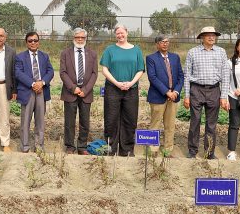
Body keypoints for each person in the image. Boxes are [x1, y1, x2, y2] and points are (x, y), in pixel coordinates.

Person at [184, 26, 230, 159]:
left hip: (214, 90)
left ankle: (209, 152)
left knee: (211, 123)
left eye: (213, 35)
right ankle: (192, 151)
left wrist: (223, 96)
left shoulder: (221, 52)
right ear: (202, 37)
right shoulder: (193, 52)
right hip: (196, 89)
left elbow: (225, 75)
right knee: (195, 121)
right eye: (208, 35)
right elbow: (187, 75)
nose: (211, 37)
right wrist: (186, 95)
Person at [100, 24, 145, 157]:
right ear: (115, 35)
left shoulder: (136, 50)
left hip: (131, 90)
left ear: (127, 32)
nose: (120, 35)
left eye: (122, 33)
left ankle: (127, 149)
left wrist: (131, 83)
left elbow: (140, 70)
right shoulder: (110, 50)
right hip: (113, 89)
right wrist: (117, 83)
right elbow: (104, 69)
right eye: (117, 34)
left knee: (130, 120)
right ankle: (110, 148)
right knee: (111, 119)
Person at [60, 28, 98, 155]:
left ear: (86, 39)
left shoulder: (92, 54)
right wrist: (73, 88)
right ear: (73, 39)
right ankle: (70, 146)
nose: (80, 40)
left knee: (85, 122)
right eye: (77, 37)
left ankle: (82, 146)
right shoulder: (65, 53)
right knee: (69, 122)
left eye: (82, 37)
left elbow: (94, 74)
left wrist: (85, 90)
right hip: (70, 92)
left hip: (86, 93)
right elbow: (63, 73)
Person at [14, 32, 54, 153]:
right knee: (25, 121)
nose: (33, 43)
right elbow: (18, 73)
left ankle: (39, 146)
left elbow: (50, 71)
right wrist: (33, 84)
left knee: (40, 121)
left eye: (35, 40)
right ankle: (25, 146)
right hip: (27, 91)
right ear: (26, 43)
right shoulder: (20, 57)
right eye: (30, 41)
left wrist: (41, 83)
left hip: (41, 91)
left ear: (39, 42)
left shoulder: (44, 56)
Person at [146, 35, 184, 157]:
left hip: (173, 97)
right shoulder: (151, 58)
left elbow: (180, 77)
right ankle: (153, 149)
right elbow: (152, 77)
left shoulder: (175, 57)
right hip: (158, 97)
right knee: (155, 124)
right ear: (157, 44)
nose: (165, 44)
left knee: (170, 125)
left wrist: (176, 92)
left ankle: (168, 149)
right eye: (162, 42)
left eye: (167, 42)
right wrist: (167, 92)